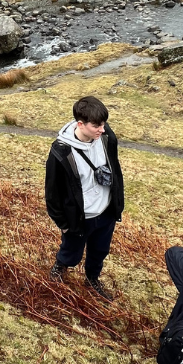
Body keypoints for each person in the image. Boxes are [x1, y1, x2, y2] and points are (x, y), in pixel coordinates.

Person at [45, 96, 124, 301]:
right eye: (97, 125)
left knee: (100, 251)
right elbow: (52, 192)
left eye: (104, 124)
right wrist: (63, 224)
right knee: (71, 252)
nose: (103, 129)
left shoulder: (107, 138)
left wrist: (116, 205)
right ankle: (60, 267)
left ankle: (92, 279)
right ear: (80, 124)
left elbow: (115, 170)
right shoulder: (61, 152)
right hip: (80, 218)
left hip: (105, 212)